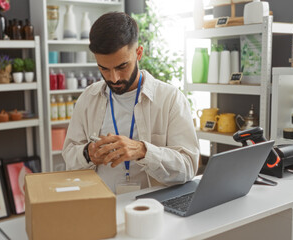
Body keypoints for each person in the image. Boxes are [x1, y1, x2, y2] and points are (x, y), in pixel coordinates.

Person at [62, 12, 199, 194]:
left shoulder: (170, 99)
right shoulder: (88, 98)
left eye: (122, 66)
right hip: (100, 206)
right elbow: (69, 156)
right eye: (104, 69)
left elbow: (188, 167)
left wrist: (143, 151)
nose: (114, 78)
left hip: (153, 208)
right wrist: (87, 153)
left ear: (139, 53)